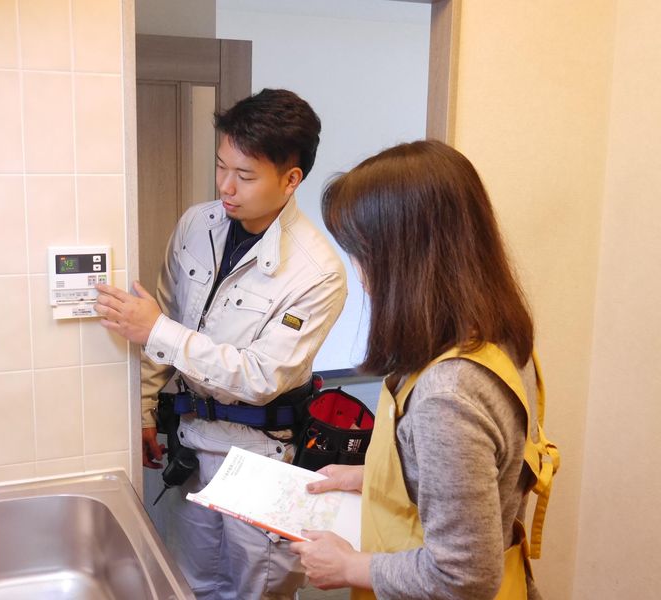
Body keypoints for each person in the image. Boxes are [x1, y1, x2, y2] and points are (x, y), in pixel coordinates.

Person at [94, 88, 347, 599]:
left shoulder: (318, 272)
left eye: (245, 176)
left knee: (258, 591)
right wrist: (145, 408)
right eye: (220, 166)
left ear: (291, 179)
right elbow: (168, 311)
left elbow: (260, 376)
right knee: (190, 584)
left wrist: (156, 330)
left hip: (262, 456)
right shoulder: (197, 224)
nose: (226, 187)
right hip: (191, 439)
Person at [290, 140, 560, 599]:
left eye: (360, 253)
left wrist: (349, 566)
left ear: (402, 260)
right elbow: (480, 478)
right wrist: (371, 478)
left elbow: (463, 575)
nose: (358, 272)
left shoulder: (448, 394)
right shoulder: (499, 337)